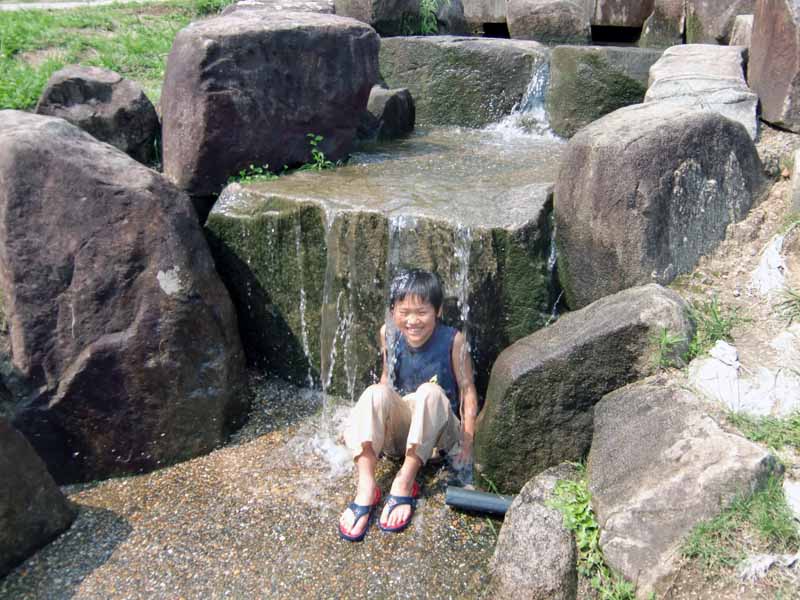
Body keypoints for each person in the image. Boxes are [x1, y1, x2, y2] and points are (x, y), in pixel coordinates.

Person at [337, 269, 479, 541]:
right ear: (393, 312)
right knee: (375, 391)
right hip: (404, 428)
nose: (412, 321)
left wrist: (468, 440)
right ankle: (367, 487)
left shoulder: (453, 341)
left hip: (437, 433)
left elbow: (468, 392)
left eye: (422, 312)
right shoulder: (388, 334)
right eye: (404, 312)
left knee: (430, 392)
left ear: (437, 311)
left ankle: (405, 480)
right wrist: (364, 426)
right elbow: (386, 380)